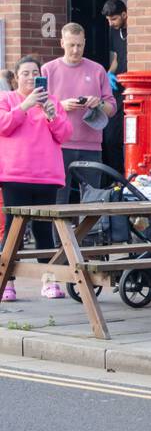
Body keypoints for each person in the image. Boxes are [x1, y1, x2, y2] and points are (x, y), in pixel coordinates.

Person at [0, 56, 72, 300]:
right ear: (16, 78)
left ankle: (49, 281)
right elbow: (3, 125)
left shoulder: (52, 102)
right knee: (13, 232)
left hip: (46, 176)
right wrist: (25, 105)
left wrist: (52, 115)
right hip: (15, 175)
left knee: (44, 231)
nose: (31, 77)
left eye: (35, 73)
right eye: (26, 73)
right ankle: (6, 283)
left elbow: (65, 134)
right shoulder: (6, 99)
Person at [42, 23, 116, 204]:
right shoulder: (47, 70)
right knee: (58, 203)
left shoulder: (97, 70)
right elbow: (37, 108)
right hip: (58, 145)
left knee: (92, 203)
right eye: (71, 45)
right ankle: (59, 226)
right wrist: (61, 105)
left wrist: (98, 103)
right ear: (62, 43)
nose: (75, 50)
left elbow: (112, 108)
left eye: (79, 45)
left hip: (91, 147)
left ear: (85, 43)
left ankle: (88, 226)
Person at [101, 0, 128, 175]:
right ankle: (115, 177)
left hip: (131, 87)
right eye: (108, 20)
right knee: (110, 136)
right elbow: (117, 58)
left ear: (124, 15)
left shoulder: (135, 31)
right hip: (117, 87)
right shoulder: (114, 31)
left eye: (114, 19)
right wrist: (108, 74)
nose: (111, 23)